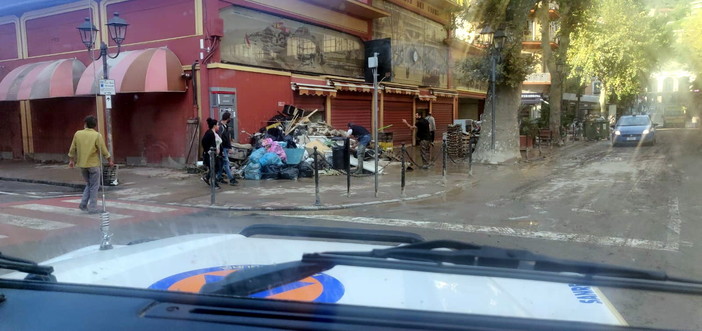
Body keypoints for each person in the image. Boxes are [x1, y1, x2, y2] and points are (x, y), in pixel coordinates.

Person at [67, 115, 113, 214]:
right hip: (93, 165)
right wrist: (109, 160)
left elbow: (72, 149)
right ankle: (92, 208)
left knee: (89, 184)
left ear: (85, 124)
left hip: (82, 165)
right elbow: (103, 150)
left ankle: (83, 204)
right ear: (94, 125)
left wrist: (71, 160)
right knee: (94, 186)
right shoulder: (97, 135)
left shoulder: (78, 134)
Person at [216, 112, 238, 186]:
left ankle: (218, 177)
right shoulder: (221, 127)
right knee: (226, 163)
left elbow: (227, 139)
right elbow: (219, 139)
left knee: (222, 164)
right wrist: (220, 149)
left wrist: (230, 147)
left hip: (225, 148)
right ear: (227, 118)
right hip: (222, 149)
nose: (230, 119)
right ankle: (231, 179)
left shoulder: (225, 126)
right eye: (230, 118)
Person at [201, 118, 223, 188]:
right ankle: (214, 183)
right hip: (211, 154)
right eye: (217, 125)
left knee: (215, 167)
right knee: (214, 168)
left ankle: (207, 178)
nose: (218, 126)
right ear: (214, 126)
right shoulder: (210, 133)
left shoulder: (213, 133)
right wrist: (208, 150)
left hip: (214, 154)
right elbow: (204, 142)